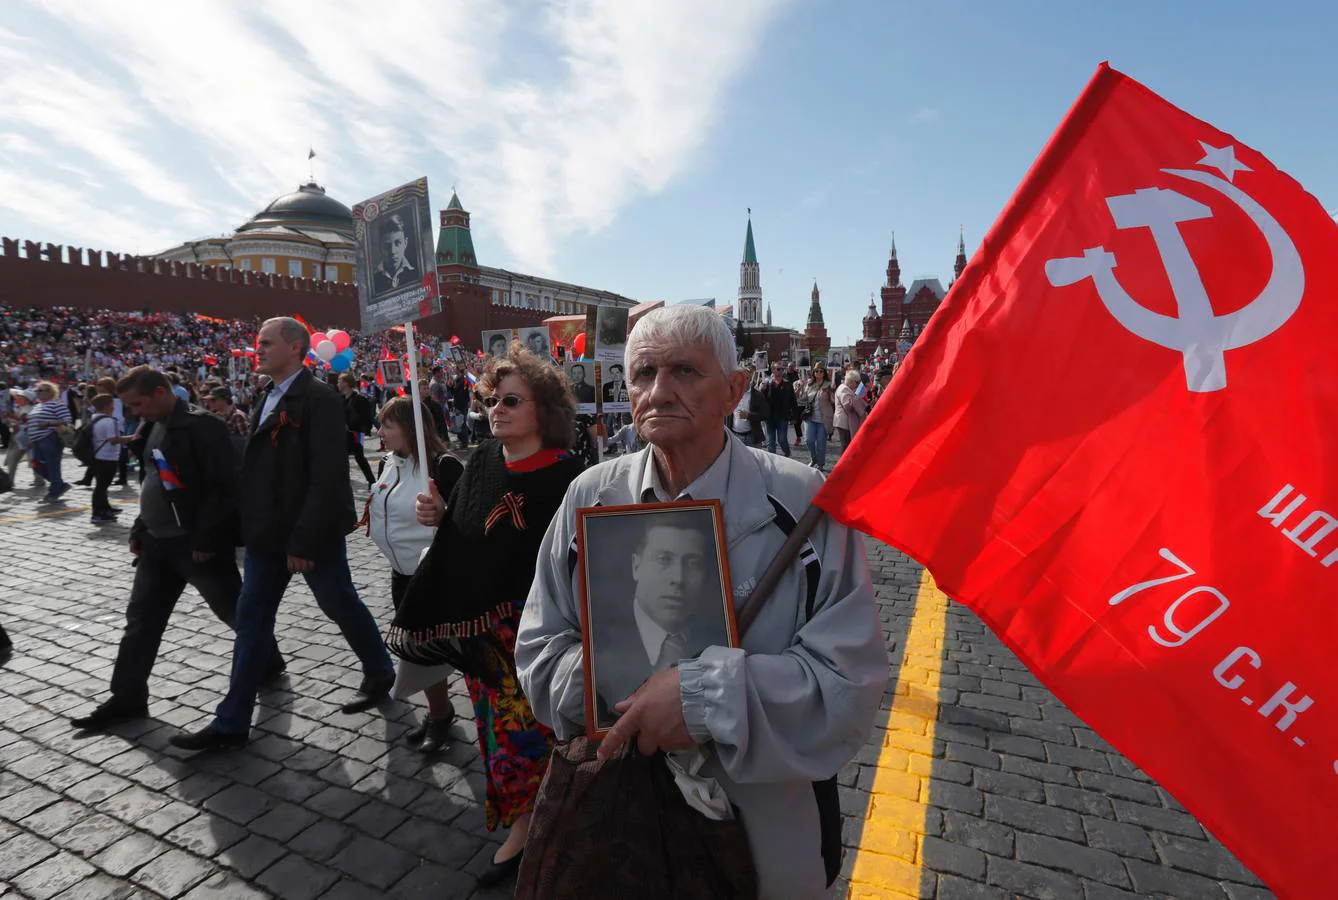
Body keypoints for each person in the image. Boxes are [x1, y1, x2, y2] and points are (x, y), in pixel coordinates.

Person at [516, 304, 887, 900]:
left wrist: (705, 700)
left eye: (685, 371)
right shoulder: (591, 495)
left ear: (734, 389)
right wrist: (617, 690)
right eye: (642, 374)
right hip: (619, 812)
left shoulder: (800, 500)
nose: (659, 392)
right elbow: (538, 646)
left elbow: (849, 680)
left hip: (763, 823)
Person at [390, 342, 584, 888]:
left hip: (542, 637)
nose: (496, 409)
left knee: (531, 738)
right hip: (483, 635)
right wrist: (442, 516)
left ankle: (536, 830)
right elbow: (472, 533)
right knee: (498, 739)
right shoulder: (481, 461)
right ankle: (531, 822)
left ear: (544, 410)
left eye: (512, 400)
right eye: (492, 400)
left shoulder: (567, 477)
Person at [169, 317, 397, 752]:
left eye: (266, 343)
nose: (259, 349)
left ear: (295, 347)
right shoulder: (268, 395)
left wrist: (304, 542)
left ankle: (380, 669)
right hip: (265, 535)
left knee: (338, 602)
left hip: (305, 533)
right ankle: (232, 720)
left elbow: (326, 475)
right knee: (251, 617)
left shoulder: (318, 398)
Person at [70, 367, 284, 731]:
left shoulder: (204, 427)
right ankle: (127, 697)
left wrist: (207, 539)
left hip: (195, 545)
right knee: (141, 622)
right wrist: (141, 525)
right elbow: (154, 480)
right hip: (157, 543)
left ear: (159, 392)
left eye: (138, 403)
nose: (135, 412)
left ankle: (267, 661)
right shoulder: (153, 426)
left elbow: (224, 488)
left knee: (235, 612)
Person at [365, 396, 464, 755]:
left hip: (439, 575)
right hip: (402, 574)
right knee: (419, 651)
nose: (380, 432)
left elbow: (471, 525)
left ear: (410, 428)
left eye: (387, 425)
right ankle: (440, 714)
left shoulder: (444, 467)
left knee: (455, 649)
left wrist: (443, 515)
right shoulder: (386, 464)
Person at [589, 513, 725, 729]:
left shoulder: (721, 640)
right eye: (663, 559)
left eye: (692, 564)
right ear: (636, 566)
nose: (678, 579)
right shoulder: (596, 643)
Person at [28, 381, 73, 503]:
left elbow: (67, 421)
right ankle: (60, 485)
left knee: (53, 466)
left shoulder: (56, 404)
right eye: (37, 390)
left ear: (50, 392)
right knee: (36, 465)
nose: (37, 393)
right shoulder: (37, 406)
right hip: (37, 440)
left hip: (50, 438)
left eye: (41, 390)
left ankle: (53, 492)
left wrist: (48, 424)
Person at [87, 394, 127, 524]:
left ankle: (105, 508)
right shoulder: (110, 421)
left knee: (102, 485)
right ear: (107, 406)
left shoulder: (94, 418)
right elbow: (113, 440)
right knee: (102, 486)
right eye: (111, 403)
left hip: (97, 456)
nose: (114, 406)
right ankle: (98, 513)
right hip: (108, 457)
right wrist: (132, 437)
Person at [337, 373, 377, 485]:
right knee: (342, 458)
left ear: (346, 383)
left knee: (359, 457)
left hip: (355, 433)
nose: (338, 384)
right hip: (343, 434)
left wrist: (352, 425)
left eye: (340, 381)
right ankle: (344, 481)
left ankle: (371, 481)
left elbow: (365, 416)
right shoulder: (340, 398)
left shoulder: (359, 399)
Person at [797, 363, 835, 470]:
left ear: (824, 373)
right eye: (816, 371)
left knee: (821, 442)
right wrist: (801, 386)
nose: (818, 373)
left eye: (821, 371)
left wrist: (832, 391)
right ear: (813, 373)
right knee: (809, 440)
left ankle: (821, 463)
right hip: (810, 418)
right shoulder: (809, 384)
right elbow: (802, 399)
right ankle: (813, 458)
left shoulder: (828, 384)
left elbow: (833, 401)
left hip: (823, 419)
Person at [204, 385, 250, 465]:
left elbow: (247, 443)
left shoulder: (238, 416)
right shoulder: (216, 416)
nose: (210, 403)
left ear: (224, 399)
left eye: (213, 400)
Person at [373, 214, 417, 293]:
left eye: (397, 243)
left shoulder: (417, 272)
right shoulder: (372, 280)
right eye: (387, 246)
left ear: (405, 243)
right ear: (380, 247)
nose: (392, 251)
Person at [760, 366, 794, 457]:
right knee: (770, 441)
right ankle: (772, 459)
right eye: (778, 369)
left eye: (782, 369)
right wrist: (762, 389)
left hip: (783, 416)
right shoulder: (767, 383)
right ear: (773, 371)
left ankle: (787, 453)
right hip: (769, 416)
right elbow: (761, 399)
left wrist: (794, 416)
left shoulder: (787, 384)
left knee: (782, 439)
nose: (781, 371)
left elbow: (793, 400)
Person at [833, 369, 868, 455]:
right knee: (846, 446)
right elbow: (848, 406)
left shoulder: (845, 388)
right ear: (851, 381)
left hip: (845, 421)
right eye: (856, 382)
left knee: (847, 446)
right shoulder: (844, 389)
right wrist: (857, 398)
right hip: (843, 422)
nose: (857, 385)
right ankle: (842, 466)